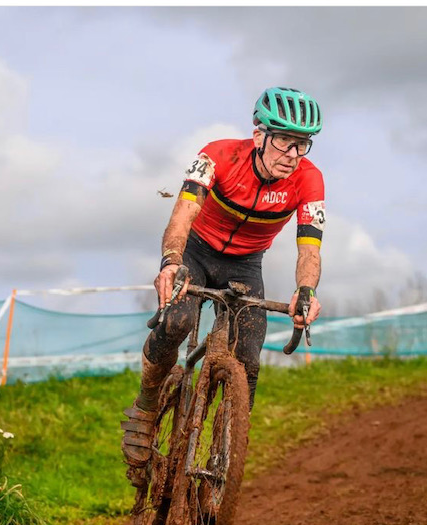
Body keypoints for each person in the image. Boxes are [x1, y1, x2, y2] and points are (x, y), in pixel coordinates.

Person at [121, 86, 326, 474]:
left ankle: (223, 456)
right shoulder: (217, 155)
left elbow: (310, 250)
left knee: (248, 358)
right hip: (195, 253)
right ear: (259, 135)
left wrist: (306, 290)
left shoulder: (310, 180)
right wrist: (170, 263)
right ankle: (146, 407)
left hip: (246, 266)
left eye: (302, 144)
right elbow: (182, 214)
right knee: (177, 322)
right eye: (283, 141)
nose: (292, 155)